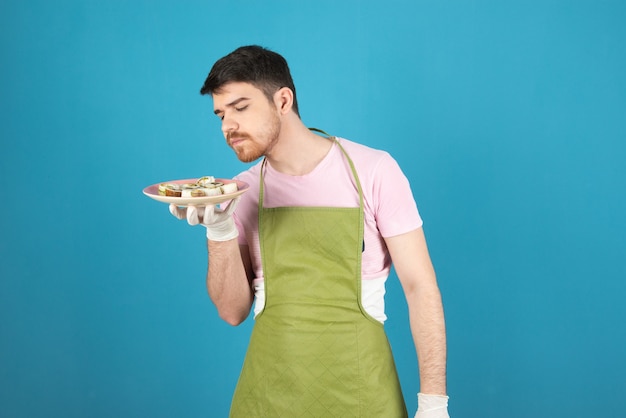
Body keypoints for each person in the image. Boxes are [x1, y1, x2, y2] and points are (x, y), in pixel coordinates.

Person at [169, 45, 449, 417]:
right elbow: (231, 311)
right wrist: (219, 233)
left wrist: (433, 403)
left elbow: (420, 286)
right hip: (267, 398)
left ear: (283, 100)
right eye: (220, 114)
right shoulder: (241, 190)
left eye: (240, 108)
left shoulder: (374, 171)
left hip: (362, 396)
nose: (227, 126)